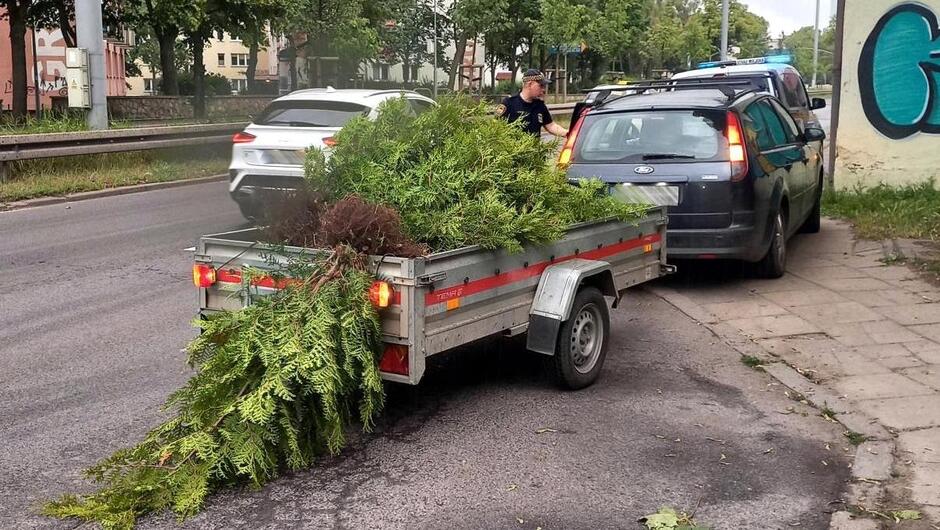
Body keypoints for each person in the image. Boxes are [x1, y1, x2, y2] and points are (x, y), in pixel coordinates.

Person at [496, 69, 569, 138]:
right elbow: (496, 128)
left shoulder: (540, 106)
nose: (543, 89)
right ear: (530, 84)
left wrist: (568, 133)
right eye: (541, 86)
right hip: (513, 150)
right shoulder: (509, 103)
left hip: (534, 150)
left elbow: (551, 126)